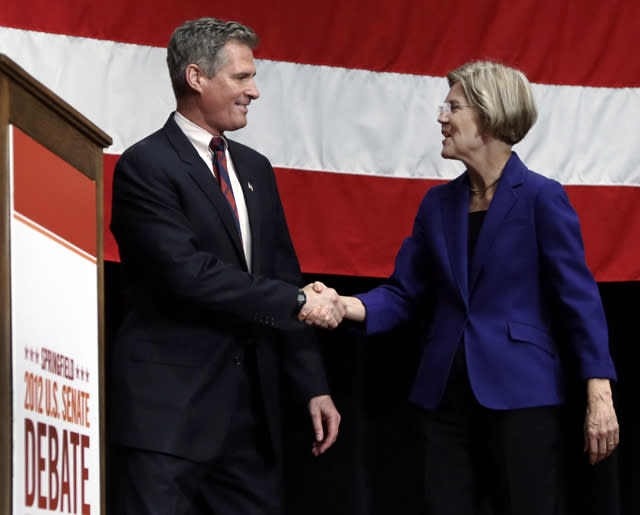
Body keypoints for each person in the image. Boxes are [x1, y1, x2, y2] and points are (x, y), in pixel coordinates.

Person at [303, 61, 619, 515]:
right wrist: (341, 303)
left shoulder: (541, 197)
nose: (441, 117)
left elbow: (579, 302)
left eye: (453, 106)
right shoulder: (437, 204)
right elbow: (402, 294)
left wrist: (600, 393)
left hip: (522, 397)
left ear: (488, 117)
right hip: (445, 399)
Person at [108, 17, 346, 515]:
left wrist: (313, 384)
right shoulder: (146, 165)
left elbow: (281, 274)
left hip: (250, 420)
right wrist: (300, 301)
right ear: (196, 77)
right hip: (168, 415)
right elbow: (186, 274)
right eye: (242, 78)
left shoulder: (255, 168)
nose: (254, 91)